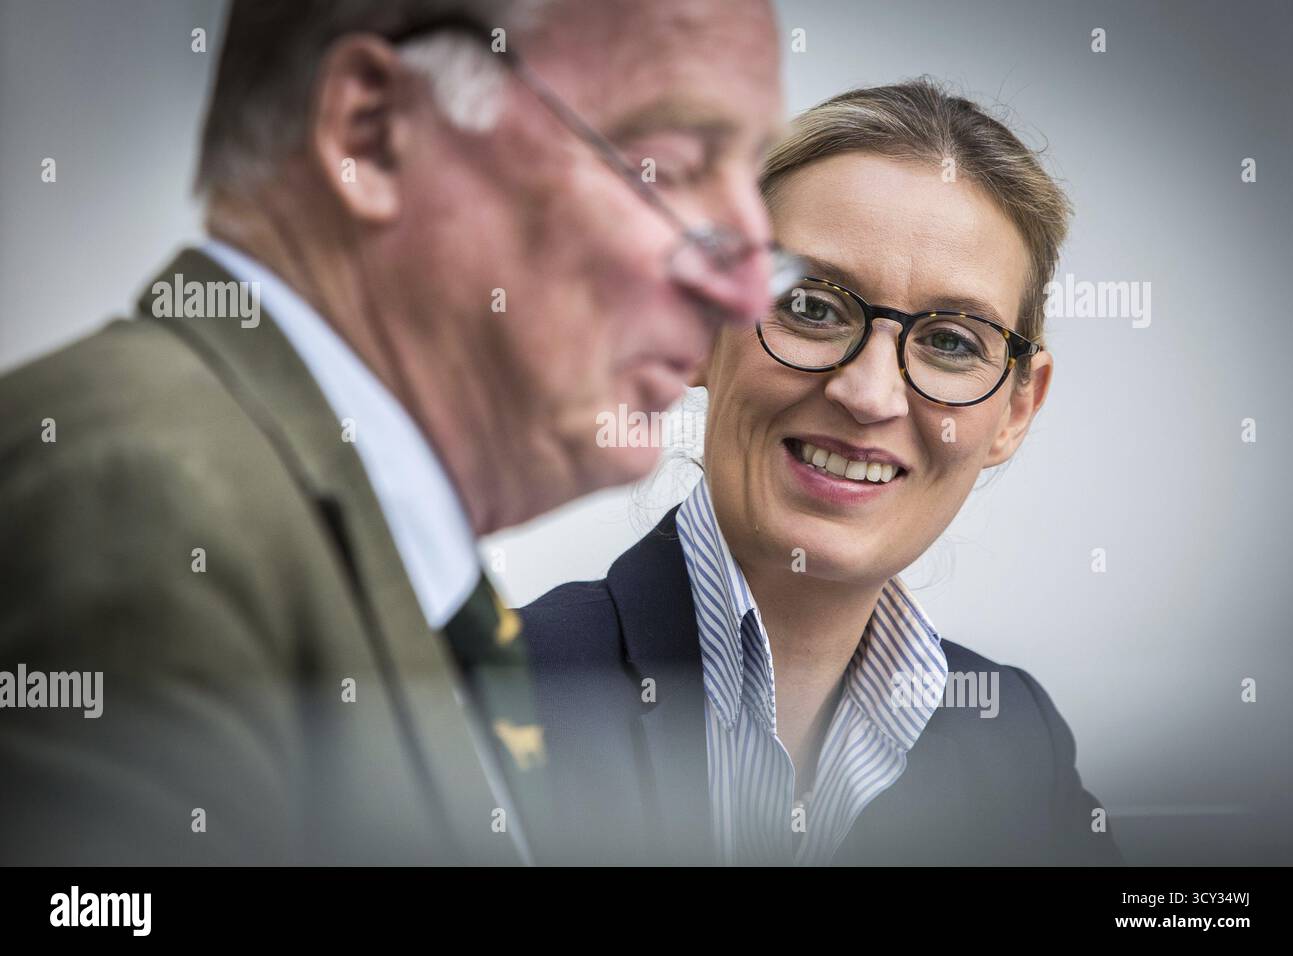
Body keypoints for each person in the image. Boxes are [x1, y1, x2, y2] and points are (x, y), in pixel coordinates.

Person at [0, 0, 789, 864]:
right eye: (668, 168)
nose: (747, 294)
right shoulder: (140, 497)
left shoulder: (353, 548)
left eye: (752, 192)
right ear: (372, 134)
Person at [520, 80, 1127, 865]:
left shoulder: (1017, 747)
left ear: (1016, 409)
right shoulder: (476, 696)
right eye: (812, 306)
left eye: (951, 342)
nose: (868, 395)